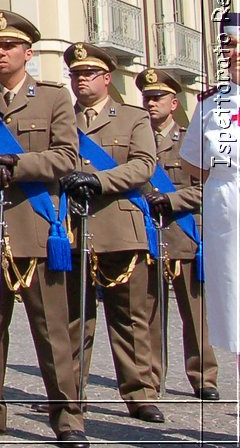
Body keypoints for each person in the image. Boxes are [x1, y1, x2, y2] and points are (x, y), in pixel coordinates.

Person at [0, 10, 84, 444]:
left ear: (27, 52)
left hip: (37, 225)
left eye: (8, 46)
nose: (0, 52)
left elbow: (67, 157)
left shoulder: (52, 97)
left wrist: (18, 163)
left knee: (51, 331)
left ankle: (67, 417)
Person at [59, 41, 161, 423]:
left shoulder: (132, 117)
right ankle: (70, 392)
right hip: (71, 229)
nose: (80, 80)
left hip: (120, 226)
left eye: (88, 74)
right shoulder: (62, 118)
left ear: (106, 78)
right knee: (72, 316)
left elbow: (143, 166)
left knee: (129, 316)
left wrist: (98, 180)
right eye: (75, 74)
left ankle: (140, 392)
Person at [139, 68, 219, 399]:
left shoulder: (191, 140)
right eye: (146, 98)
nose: (151, 103)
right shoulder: (136, 137)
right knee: (150, 313)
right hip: (146, 236)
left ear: (174, 103)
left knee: (195, 313)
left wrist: (170, 199)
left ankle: (204, 377)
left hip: (185, 235)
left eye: (157, 97)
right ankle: (152, 378)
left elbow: (208, 188)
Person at [180, 11, 240, 363]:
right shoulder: (210, 104)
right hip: (227, 207)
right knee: (235, 300)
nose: (234, 53)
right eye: (229, 46)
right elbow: (192, 161)